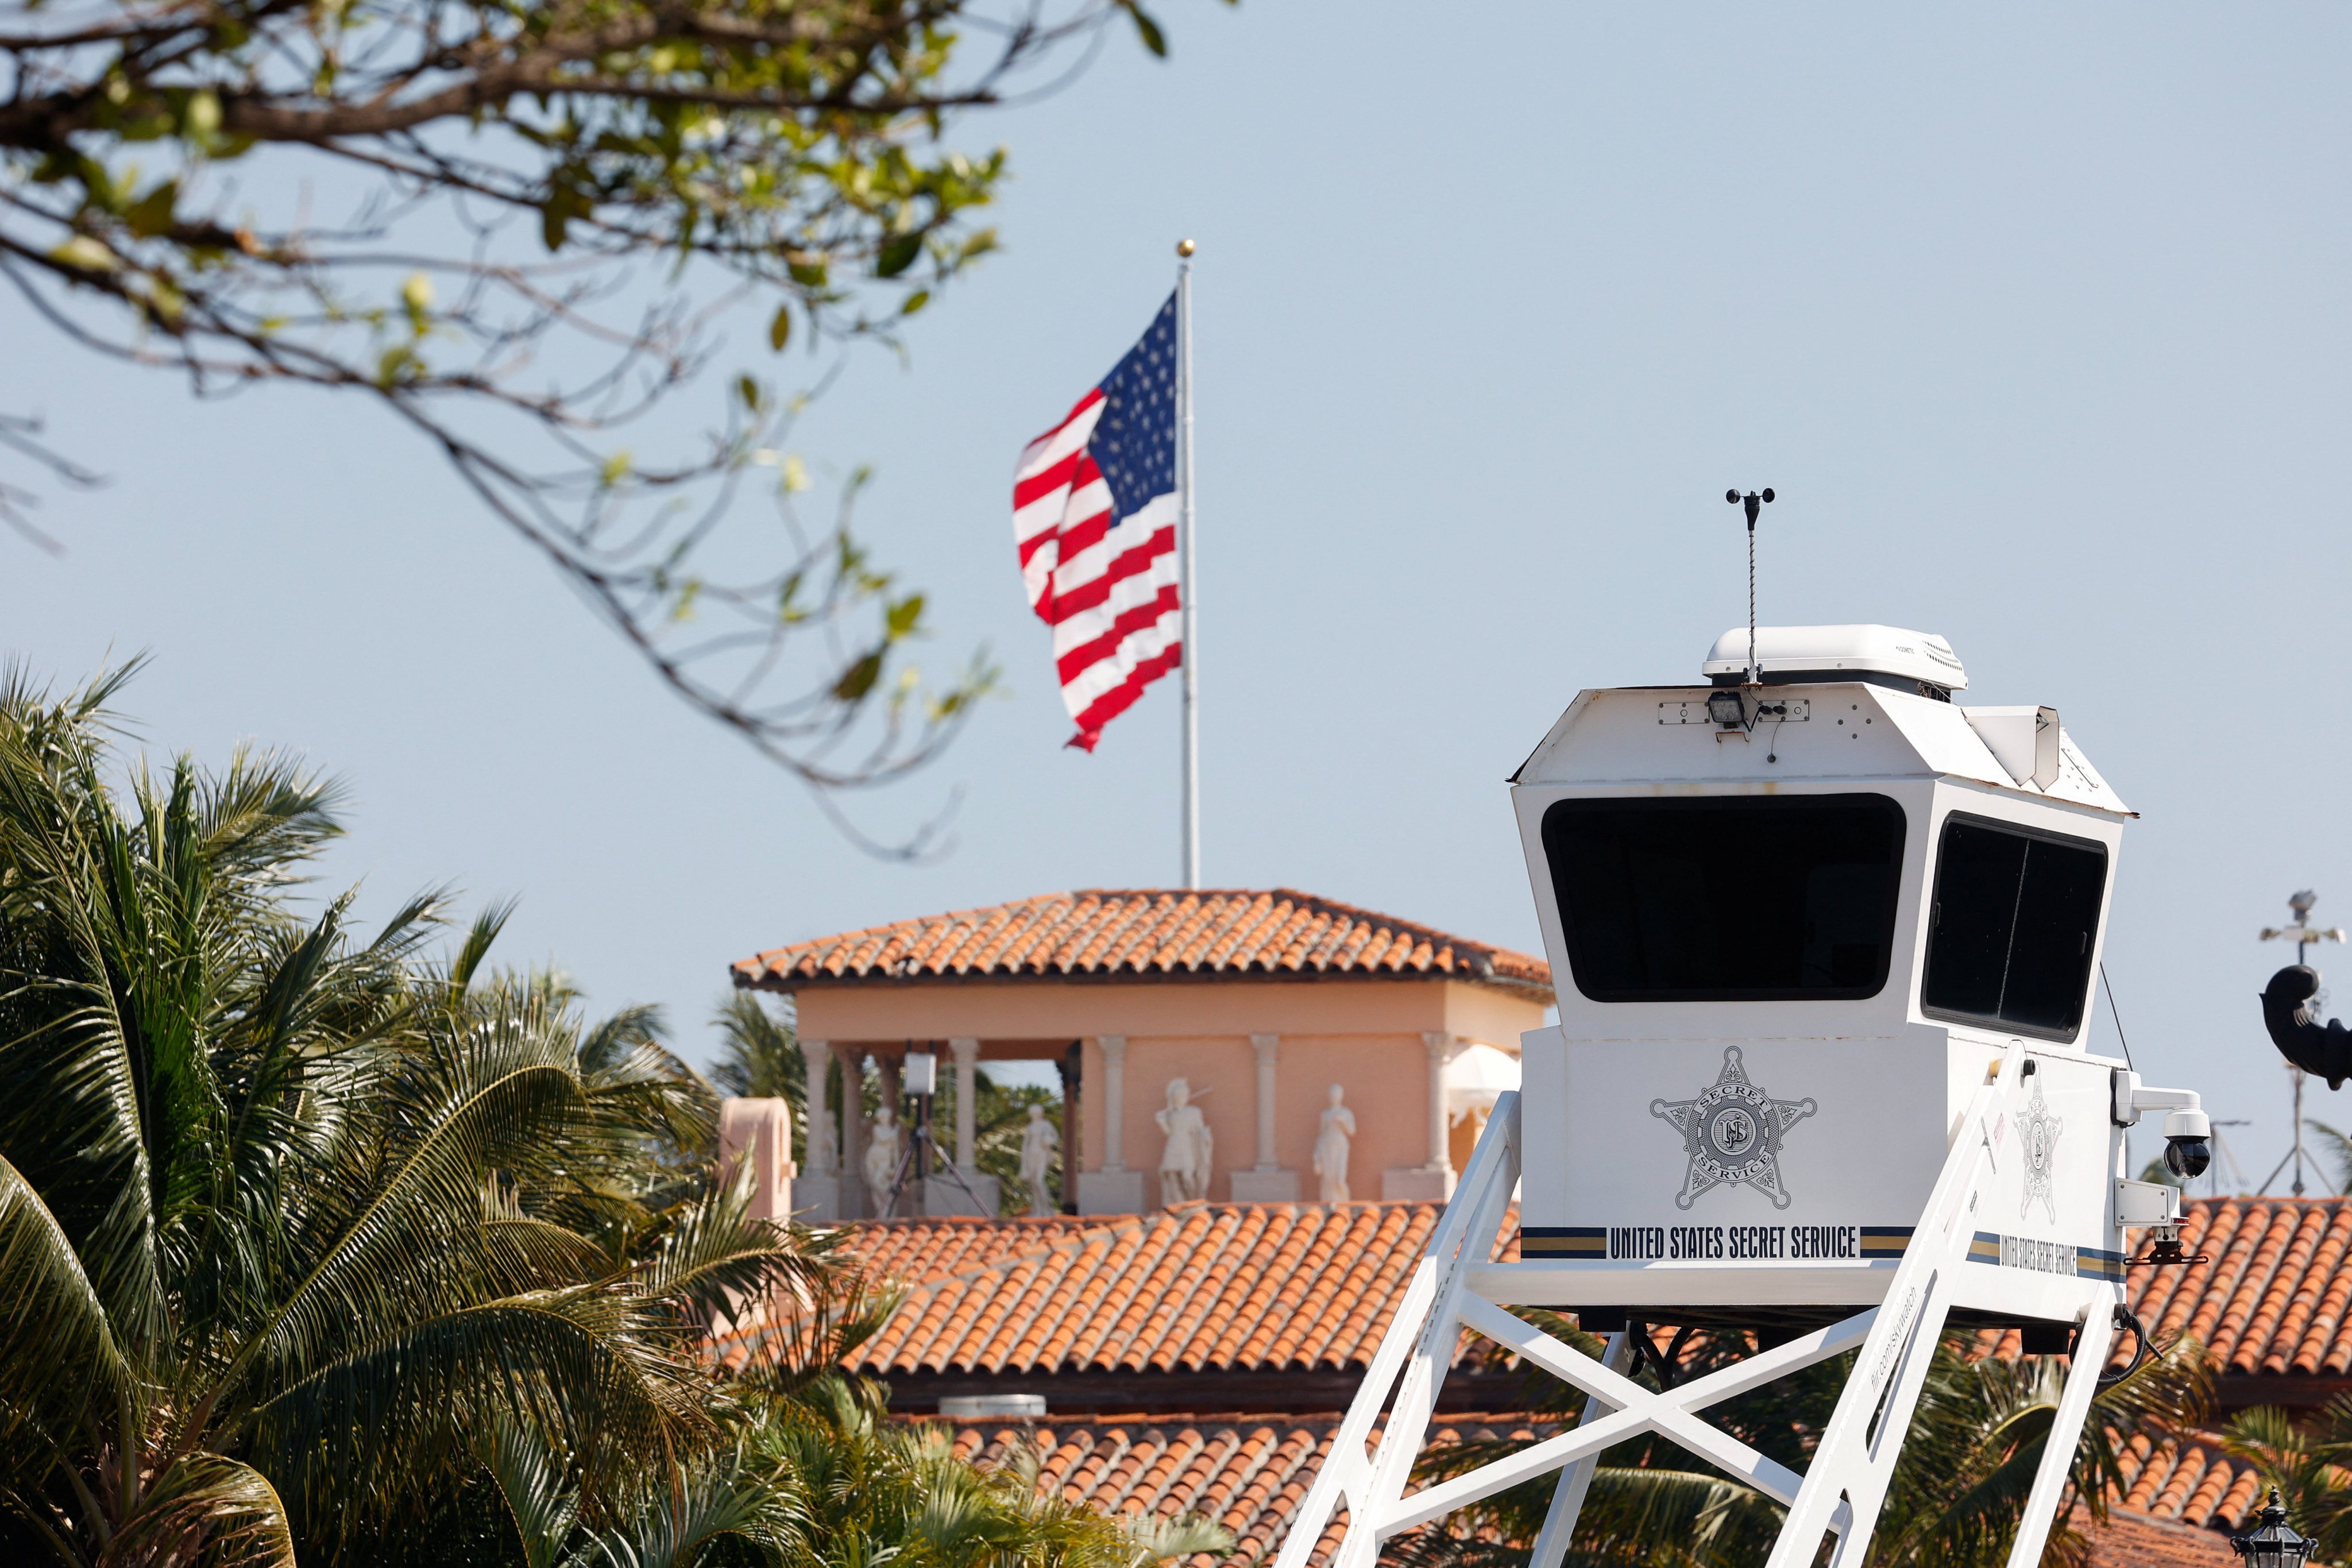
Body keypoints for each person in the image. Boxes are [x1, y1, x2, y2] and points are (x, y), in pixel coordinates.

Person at [1156, 1077, 1214, 1206]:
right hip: (1172, 1146)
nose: (1181, 1097)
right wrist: (1161, 1123)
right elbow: (1169, 1132)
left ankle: (1193, 1202)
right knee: (1171, 1175)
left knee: (1188, 1177)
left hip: (1187, 1148)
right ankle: (1176, 1205)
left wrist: (1204, 1135)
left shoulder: (1194, 1112)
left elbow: (1200, 1130)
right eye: (1178, 1095)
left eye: (1183, 1095)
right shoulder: (1170, 1114)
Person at [1313, 1084, 1357, 1202]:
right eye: (1332, 1095)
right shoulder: (1325, 1114)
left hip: (1340, 1145)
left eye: (1337, 1095)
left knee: (1340, 1179)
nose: (1334, 1098)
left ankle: (1343, 1204)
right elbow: (1322, 1134)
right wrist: (1317, 1157)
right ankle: (1329, 1203)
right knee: (1328, 1178)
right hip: (1326, 1146)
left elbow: (1352, 1132)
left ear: (1341, 1097)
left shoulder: (1346, 1113)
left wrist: (1343, 1123)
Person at [1018, 1103, 1061, 1218]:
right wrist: (1024, 1162)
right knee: (1034, 1184)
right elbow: (1026, 1144)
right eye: (1033, 1113)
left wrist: (1048, 1141)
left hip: (1042, 1154)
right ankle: (1038, 1210)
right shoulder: (1031, 1126)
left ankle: (1046, 1208)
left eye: (1037, 1113)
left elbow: (1055, 1137)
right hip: (1031, 1154)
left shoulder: (1046, 1124)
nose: (1035, 1115)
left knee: (1039, 1181)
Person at [864, 1102, 905, 1216]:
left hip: (885, 1159)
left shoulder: (893, 1132)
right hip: (873, 1156)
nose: (883, 1119)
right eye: (881, 1117)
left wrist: (897, 1166)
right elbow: (882, 1139)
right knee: (873, 1183)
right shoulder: (877, 1129)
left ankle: (888, 1203)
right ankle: (882, 1209)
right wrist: (894, 1134)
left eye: (885, 1117)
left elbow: (895, 1150)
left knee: (879, 1181)